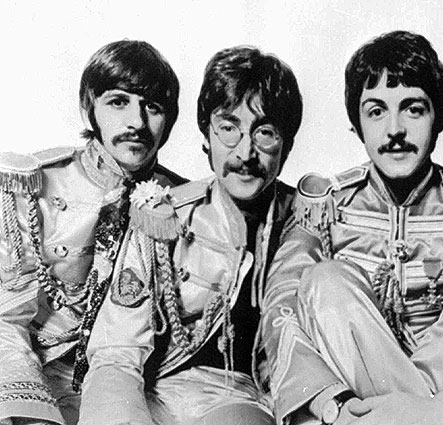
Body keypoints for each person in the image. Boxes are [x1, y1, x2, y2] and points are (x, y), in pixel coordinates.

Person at [261, 30, 443, 425]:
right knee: (323, 280)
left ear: (438, 118)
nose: (395, 130)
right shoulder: (324, 205)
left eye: (413, 109)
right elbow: (280, 310)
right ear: (357, 124)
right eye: (376, 111)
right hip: (354, 412)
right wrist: (333, 405)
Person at [78, 46, 302, 425]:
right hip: (155, 394)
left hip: (238, 399)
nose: (245, 152)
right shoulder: (165, 214)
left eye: (265, 132)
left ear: (287, 144)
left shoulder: (311, 221)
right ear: (207, 137)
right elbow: (116, 351)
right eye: (228, 128)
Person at [0, 40, 185, 425]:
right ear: (90, 107)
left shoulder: (182, 203)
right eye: (118, 102)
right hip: (34, 371)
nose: (137, 122)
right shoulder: (37, 185)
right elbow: (6, 319)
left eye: (152, 107)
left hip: (134, 383)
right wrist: (30, 410)